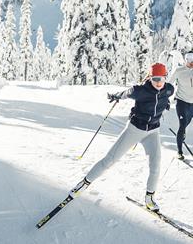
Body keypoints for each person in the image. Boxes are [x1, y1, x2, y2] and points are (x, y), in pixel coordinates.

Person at [69, 62, 174, 211]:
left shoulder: (169, 89)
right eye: (155, 79)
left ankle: (149, 198)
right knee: (110, 159)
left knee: (156, 166)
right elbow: (126, 93)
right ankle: (83, 184)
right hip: (135, 129)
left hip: (153, 132)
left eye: (161, 79)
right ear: (150, 78)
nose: (158, 82)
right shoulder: (140, 91)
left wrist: (166, 103)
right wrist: (116, 96)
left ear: (165, 78)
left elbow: (165, 97)